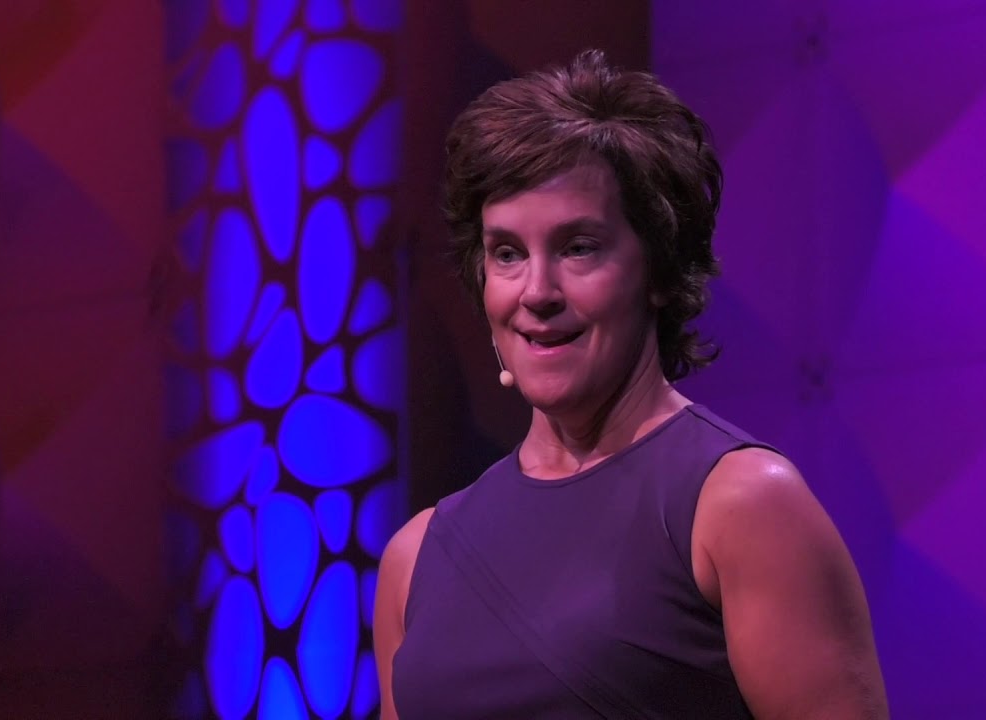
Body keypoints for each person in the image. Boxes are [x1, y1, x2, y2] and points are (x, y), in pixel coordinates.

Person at [373, 50, 888, 719]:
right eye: (507, 254)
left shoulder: (742, 506)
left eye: (578, 247)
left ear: (659, 272)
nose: (537, 292)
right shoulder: (415, 557)